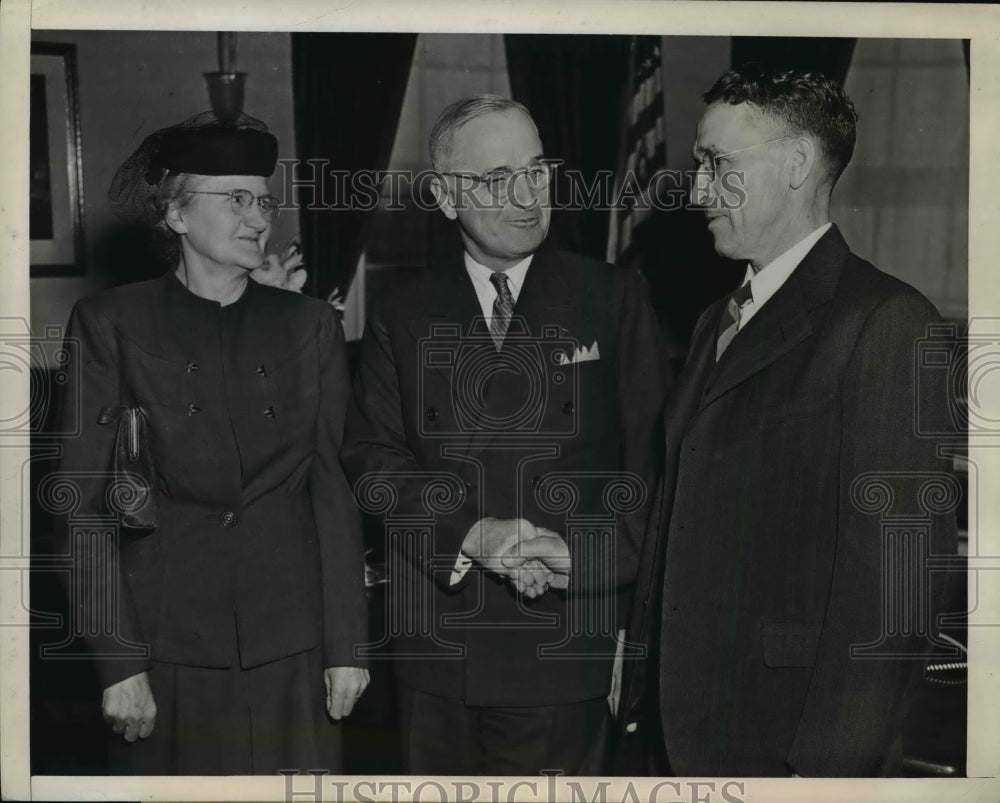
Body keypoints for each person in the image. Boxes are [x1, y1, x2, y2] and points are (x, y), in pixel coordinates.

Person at [618, 67, 958, 777]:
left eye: (719, 165)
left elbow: (895, 592)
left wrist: (825, 773)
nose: (699, 189)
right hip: (677, 734)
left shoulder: (887, 323)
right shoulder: (719, 317)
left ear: (798, 164)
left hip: (786, 745)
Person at [341, 94, 667, 775]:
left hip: (562, 639)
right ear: (445, 195)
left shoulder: (612, 297)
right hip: (438, 641)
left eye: (538, 169)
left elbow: (653, 469)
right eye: (497, 179)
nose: (527, 195)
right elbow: (372, 458)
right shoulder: (400, 313)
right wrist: (471, 534)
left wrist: (587, 559)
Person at [55, 112, 369, 775]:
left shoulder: (309, 325)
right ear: (175, 213)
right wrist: (118, 662)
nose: (259, 217)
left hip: (295, 645)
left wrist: (347, 646)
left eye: (263, 200)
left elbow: (332, 490)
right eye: (235, 199)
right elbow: (79, 507)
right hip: (167, 647)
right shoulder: (109, 323)